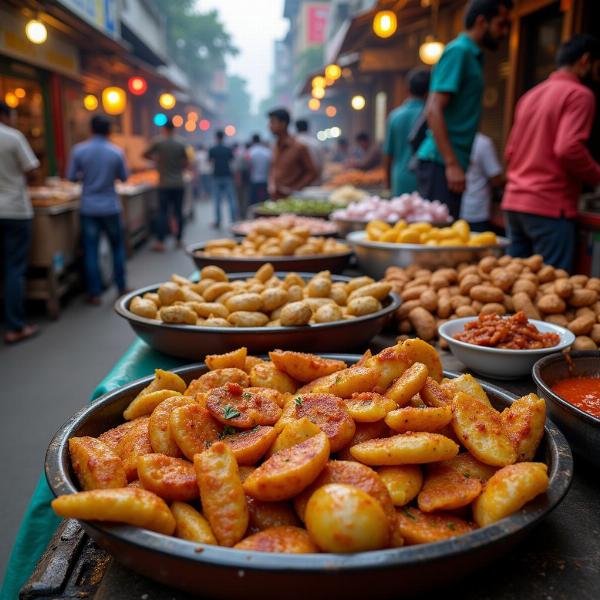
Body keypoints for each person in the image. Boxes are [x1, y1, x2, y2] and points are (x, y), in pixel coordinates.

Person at [502, 35, 600, 271]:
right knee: (551, 292)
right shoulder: (579, 95)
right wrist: (597, 176)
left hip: (514, 203)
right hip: (549, 206)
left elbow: (510, 151)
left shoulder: (529, 96)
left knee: (513, 283)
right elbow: (568, 149)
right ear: (586, 61)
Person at [416, 0, 512, 219]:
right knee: (437, 238)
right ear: (481, 22)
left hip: (450, 162)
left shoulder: (474, 56)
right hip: (440, 163)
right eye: (501, 24)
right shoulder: (459, 52)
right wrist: (451, 163)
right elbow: (433, 109)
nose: (504, 32)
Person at [68, 115, 129, 305]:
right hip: (110, 206)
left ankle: (94, 293)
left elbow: (71, 177)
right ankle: (121, 287)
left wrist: (85, 176)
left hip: (89, 207)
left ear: (91, 129)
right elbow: (124, 177)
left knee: (91, 250)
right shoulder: (116, 152)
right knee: (117, 246)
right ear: (109, 130)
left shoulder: (79, 150)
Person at [0, 101, 40, 343]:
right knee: (14, 268)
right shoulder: (12, 137)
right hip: (14, 210)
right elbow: (32, 171)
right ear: (4, 115)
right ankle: (15, 326)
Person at [143, 119, 189, 251]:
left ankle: (160, 241)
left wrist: (157, 160)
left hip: (163, 184)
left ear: (164, 128)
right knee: (178, 212)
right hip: (179, 183)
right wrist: (179, 168)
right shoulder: (181, 142)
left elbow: (145, 154)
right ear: (175, 128)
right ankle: (179, 239)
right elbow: (186, 162)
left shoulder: (158, 141)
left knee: (162, 212)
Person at [383, 69, 430, 196]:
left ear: (407, 89)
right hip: (426, 178)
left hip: (400, 178)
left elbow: (388, 154)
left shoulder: (395, 116)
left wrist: (388, 183)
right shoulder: (431, 115)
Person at [267, 108, 318, 199]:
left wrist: (295, 189)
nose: (269, 126)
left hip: (292, 199)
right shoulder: (275, 146)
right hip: (276, 197)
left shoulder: (299, 147)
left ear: (283, 124)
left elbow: (312, 172)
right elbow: (274, 168)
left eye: (273, 122)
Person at [460, 133, 503, 231]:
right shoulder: (483, 143)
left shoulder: (450, 139)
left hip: (456, 207)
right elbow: (495, 178)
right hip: (476, 211)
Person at [208, 130, 237, 228]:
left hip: (217, 176)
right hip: (227, 175)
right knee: (231, 199)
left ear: (216, 137)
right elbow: (232, 161)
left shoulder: (212, 149)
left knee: (217, 200)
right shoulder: (228, 149)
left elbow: (210, 162)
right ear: (223, 137)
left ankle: (218, 221)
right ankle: (233, 220)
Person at [248, 134, 272, 206]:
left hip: (254, 179)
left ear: (252, 141)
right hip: (265, 179)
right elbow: (270, 166)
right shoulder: (267, 152)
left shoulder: (250, 152)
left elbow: (249, 166)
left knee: (254, 201)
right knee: (264, 201)